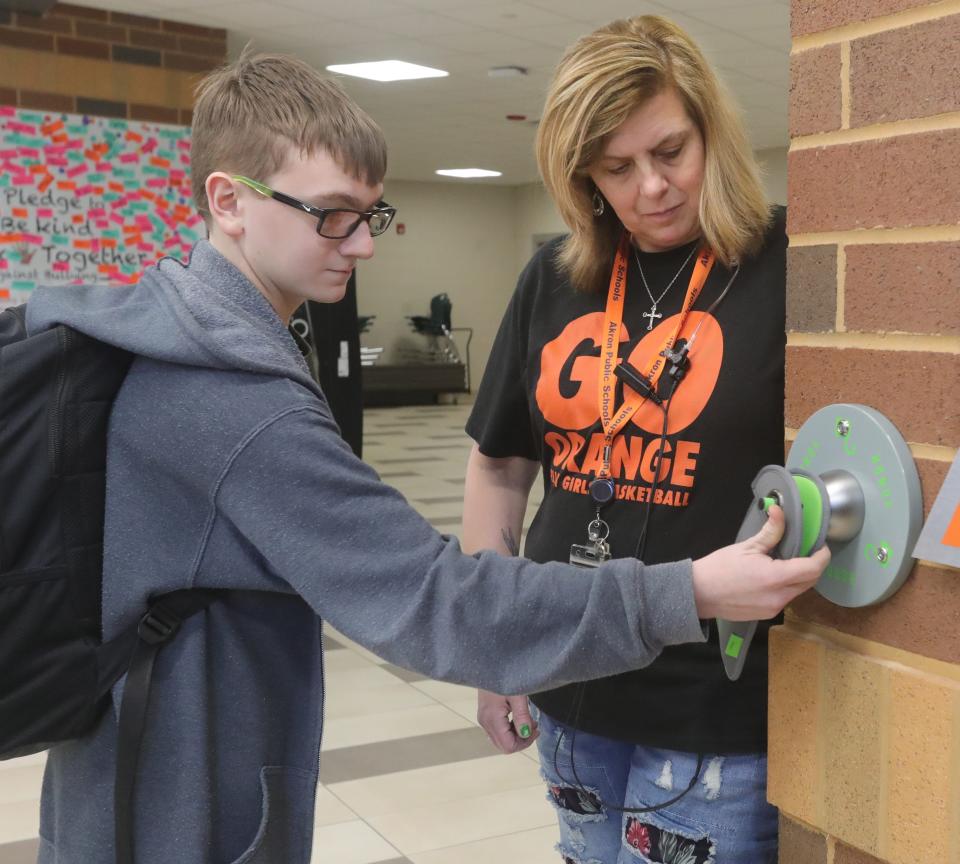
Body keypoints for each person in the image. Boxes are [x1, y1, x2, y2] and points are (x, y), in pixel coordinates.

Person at [26, 48, 827, 864]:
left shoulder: (170, 325)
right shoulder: (231, 400)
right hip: (172, 808)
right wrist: (688, 589)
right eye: (331, 213)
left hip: (154, 778)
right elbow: (433, 597)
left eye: (367, 214)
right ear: (228, 202)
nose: (363, 245)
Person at [464, 15, 798, 864]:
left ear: (711, 134)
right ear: (582, 178)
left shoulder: (787, 264)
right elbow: (500, 465)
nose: (651, 187)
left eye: (670, 151)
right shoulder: (554, 277)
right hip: (569, 680)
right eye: (618, 168)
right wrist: (493, 643)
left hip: (713, 704)